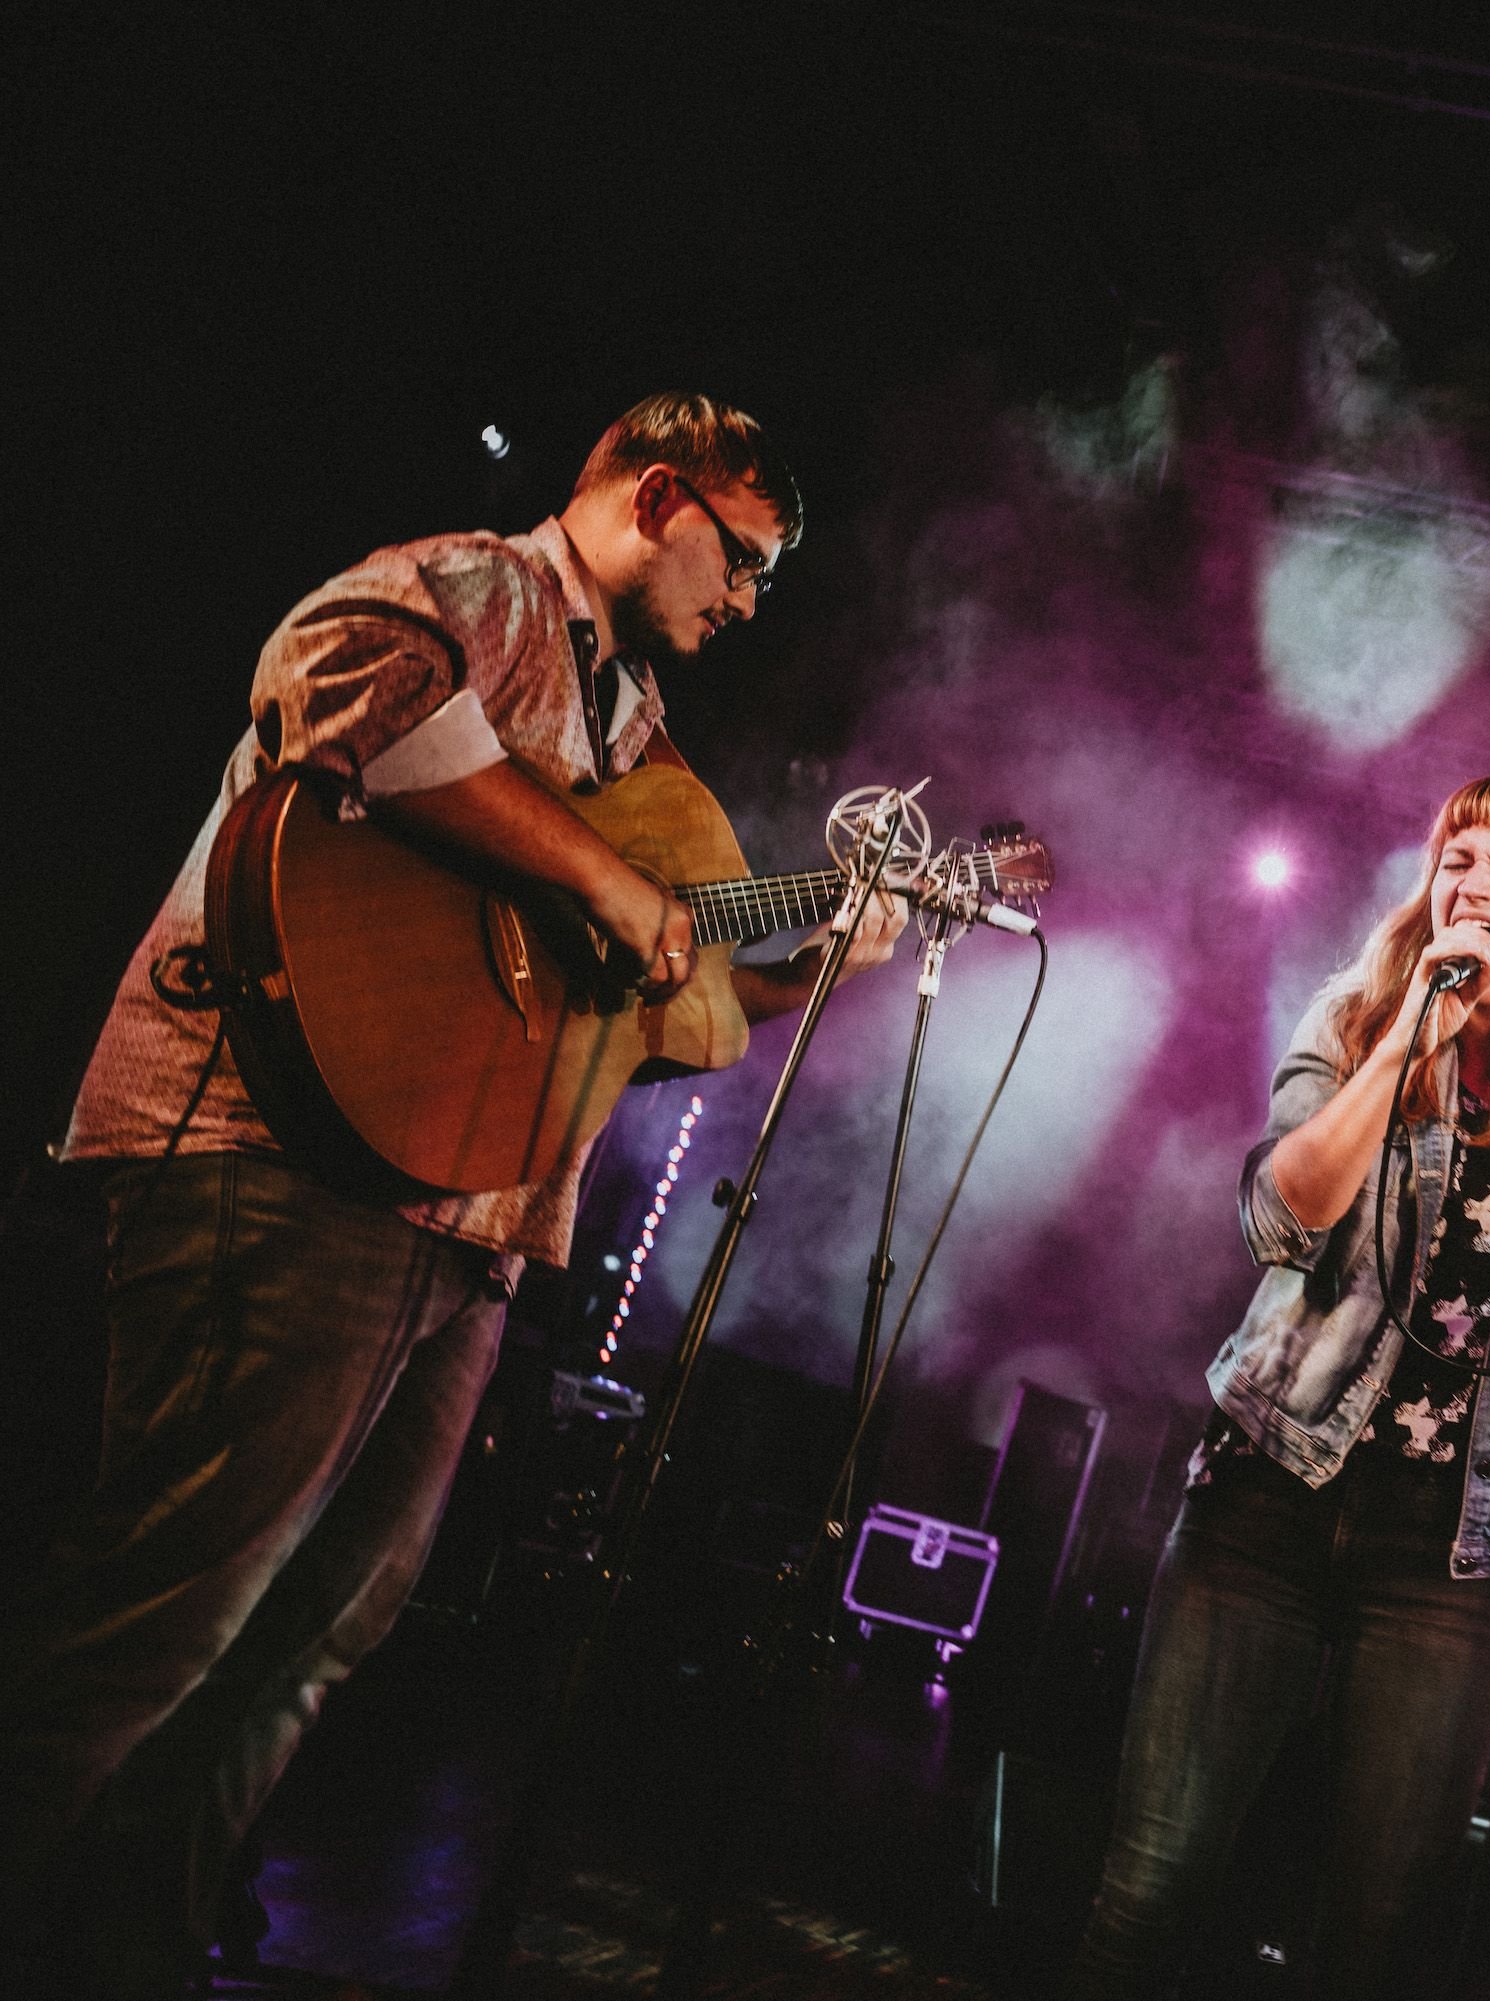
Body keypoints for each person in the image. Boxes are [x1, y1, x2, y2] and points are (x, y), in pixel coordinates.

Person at [0, 393, 909, 1998]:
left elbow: (649, 1012)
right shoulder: (482, 588)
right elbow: (333, 676)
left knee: (309, 1638)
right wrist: (608, 881)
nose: (748, 603)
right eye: (745, 559)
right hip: (281, 1157)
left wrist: (799, 973)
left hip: (465, 1227)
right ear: (659, 493)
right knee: (163, 1609)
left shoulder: (637, 736)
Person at [1064, 772, 1490, 1999]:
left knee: (1378, 1939)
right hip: (1264, 1504)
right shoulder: (1355, 1026)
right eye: (1457, 860)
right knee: (1151, 1889)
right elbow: (1280, 1217)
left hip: (1445, 1569)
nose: (1474, 885)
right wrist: (1410, 1033)